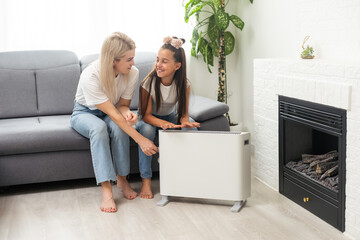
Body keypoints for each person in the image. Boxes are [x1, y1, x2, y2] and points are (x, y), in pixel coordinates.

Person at [70, 32, 158, 213]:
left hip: (111, 111)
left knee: (120, 129)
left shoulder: (132, 73)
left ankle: (122, 179)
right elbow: (112, 113)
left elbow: (123, 106)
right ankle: (106, 190)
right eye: (129, 59)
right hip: (84, 112)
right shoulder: (91, 76)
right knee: (99, 128)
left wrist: (128, 114)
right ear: (113, 60)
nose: (133, 63)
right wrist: (141, 139)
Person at [135, 36, 200, 199]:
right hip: (148, 119)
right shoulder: (148, 83)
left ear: (177, 66)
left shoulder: (184, 84)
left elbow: (183, 113)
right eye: (158, 60)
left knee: (191, 127)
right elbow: (146, 116)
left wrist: (185, 121)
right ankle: (146, 180)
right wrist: (163, 123)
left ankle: (186, 176)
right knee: (147, 130)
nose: (158, 64)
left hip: (169, 116)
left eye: (164, 61)